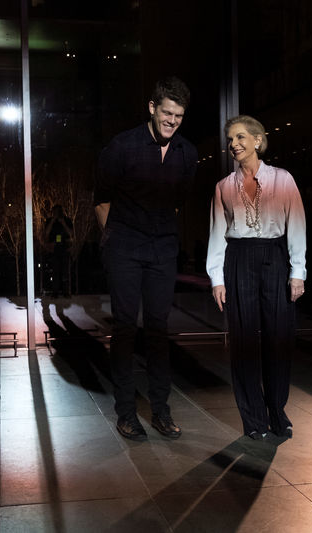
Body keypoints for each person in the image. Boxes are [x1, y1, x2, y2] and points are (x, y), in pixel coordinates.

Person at [94, 76, 198, 441]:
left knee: (157, 330)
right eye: (167, 113)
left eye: (179, 116)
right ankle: (126, 413)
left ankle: (161, 412)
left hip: (162, 249)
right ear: (152, 108)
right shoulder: (121, 147)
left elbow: (178, 201)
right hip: (124, 246)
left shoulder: (188, 154)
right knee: (124, 328)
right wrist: (112, 241)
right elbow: (101, 198)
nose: (172, 121)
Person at [206, 114, 306, 440]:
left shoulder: (283, 180)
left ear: (257, 140)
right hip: (239, 260)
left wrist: (297, 272)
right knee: (244, 342)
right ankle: (252, 419)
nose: (233, 144)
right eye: (230, 139)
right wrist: (217, 279)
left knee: (279, 339)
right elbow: (217, 234)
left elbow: (297, 226)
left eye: (239, 138)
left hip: (275, 257)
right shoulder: (223, 187)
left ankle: (277, 412)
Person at [44, 204, 73, 297]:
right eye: (54, 212)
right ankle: (55, 292)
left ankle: (66, 292)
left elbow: (71, 233)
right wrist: (52, 221)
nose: (56, 214)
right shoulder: (49, 221)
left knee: (65, 271)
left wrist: (63, 223)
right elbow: (46, 233)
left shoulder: (67, 220)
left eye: (58, 212)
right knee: (55, 271)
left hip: (65, 248)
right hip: (54, 248)